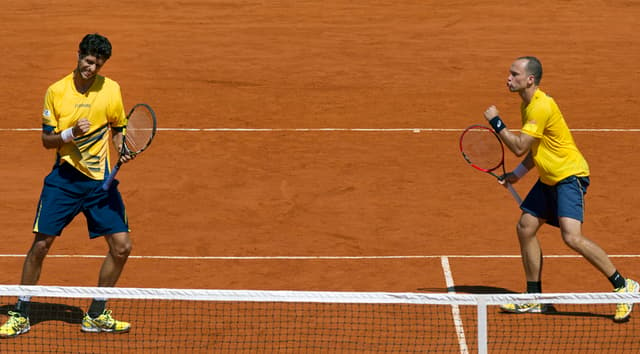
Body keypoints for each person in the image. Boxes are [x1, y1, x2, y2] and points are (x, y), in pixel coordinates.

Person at [483, 56, 638, 322]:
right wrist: (518, 175)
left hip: (569, 177)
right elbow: (534, 150)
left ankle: (623, 286)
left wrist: (497, 123)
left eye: (514, 74)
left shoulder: (540, 107)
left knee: (572, 237)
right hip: (549, 179)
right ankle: (535, 298)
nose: (508, 78)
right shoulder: (528, 105)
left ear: (530, 79)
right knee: (526, 227)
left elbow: (519, 146)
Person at [0, 33, 133, 338]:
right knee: (41, 246)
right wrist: (69, 134)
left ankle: (97, 314)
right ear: (79, 55)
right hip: (64, 181)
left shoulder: (111, 89)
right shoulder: (56, 92)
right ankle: (21, 312)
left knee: (122, 247)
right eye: (88, 61)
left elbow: (117, 129)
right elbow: (47, 141)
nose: (92, 68)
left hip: (100, 184)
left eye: (98, 64)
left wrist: (121, 146)